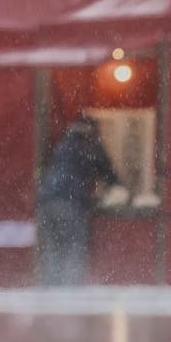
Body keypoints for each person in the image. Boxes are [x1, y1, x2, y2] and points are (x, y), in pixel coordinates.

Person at [37, 116, 128, 286]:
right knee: (75, 250)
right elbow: (112, 178)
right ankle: (73, 296)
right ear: (91, 131)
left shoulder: (62, 145)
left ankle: (49, 297)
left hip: (46, 202)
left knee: (52, 251)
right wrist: (121, 190)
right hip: (71, 202)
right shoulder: (90, 147)